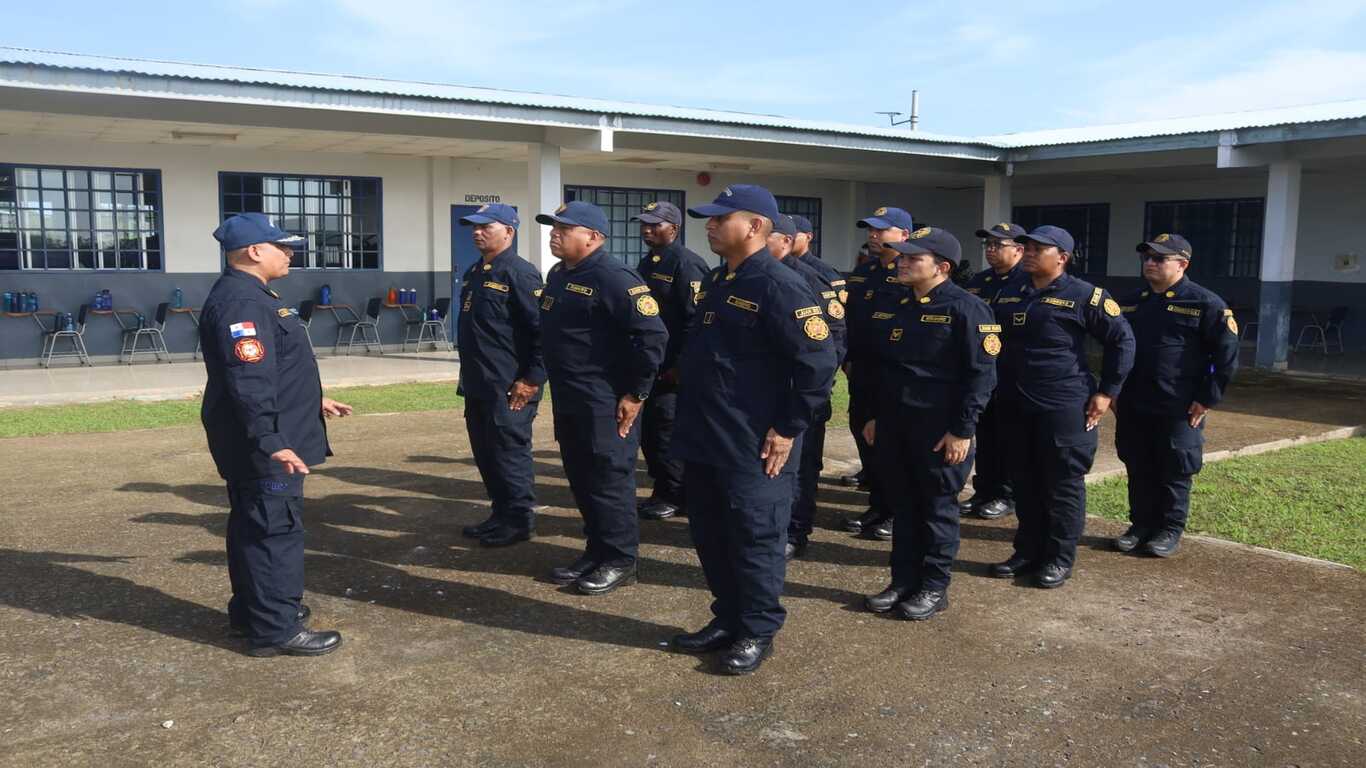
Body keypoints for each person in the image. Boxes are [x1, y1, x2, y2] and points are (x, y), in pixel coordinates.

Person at [670, 185, 837, 674]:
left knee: (754, 537)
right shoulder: (723, 279)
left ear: (757, 226)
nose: (711, 225)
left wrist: (787, 428)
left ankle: (757, 630)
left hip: (754, 442)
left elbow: (818, 363)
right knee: (711, 534)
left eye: (722, 218)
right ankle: (728, 618)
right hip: (707, 435)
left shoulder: (779, 285)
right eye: (710, 218)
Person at [200, 213, 352, 657]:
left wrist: (313, 400)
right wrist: (271, 440)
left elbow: (272, 368)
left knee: (255, 525)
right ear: (253, 251)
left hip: (268, 432)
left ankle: (255, 612)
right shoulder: (242, 303)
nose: (289, 253)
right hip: (267, 443)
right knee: (273, 531)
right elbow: (247, 379)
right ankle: (275, 629)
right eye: (281, 246)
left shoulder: (253, 295)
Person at [861, 227, 998, 619]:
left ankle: (934, 587)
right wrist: (874, 416)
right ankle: (902, 581)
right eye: (901, 256)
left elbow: (982, 377)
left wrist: (963, 430)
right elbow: (883, 369)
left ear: (941, 267)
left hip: (940, 431)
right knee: (904, 508)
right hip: (895, 425)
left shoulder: (967, 309)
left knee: (936, 510)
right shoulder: (899, 304)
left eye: (912, 258)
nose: (902, 262)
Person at [988, 225, 1135, 589]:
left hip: (1064, 406)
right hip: (1016, 404)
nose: (1031, 253)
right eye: (1028, 248)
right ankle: (1027, 552)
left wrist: (1106, 392)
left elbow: (1123, 341)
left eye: (1040, 249)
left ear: (1062, 258)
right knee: (1024, 483)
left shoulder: (1086, 296)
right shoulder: (1009, 292)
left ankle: (1057, 558)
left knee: (1061, 485)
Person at [536, 201, 668, 595]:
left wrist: (637, 393)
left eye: (564, 228)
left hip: (606, 402)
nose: (554, 234)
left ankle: (620, 560)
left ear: (593, 237)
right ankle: (596, 551)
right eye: (552, 227)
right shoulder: (559, 274)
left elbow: (653, 337)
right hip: (570, 399)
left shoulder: (615, 277)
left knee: (609, 481)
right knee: (582, 479)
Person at [1114, 233, 1238, 557]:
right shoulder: (1132, 301)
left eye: (1159, 258)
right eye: (1147, 257)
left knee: (1174, 468)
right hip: (1135, 401)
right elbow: (1115, 349)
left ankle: (1169, 529)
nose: (1150, 263)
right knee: (1138, 465)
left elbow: (1225, 355)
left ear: (1182, 264)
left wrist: (1207, 397)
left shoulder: (1205, 303)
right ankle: (1140, 524)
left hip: (1179, 405)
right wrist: (1110, 389)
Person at [455, 203, 546, 547]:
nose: (477, 232)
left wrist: (532, 379)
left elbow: (542, 332)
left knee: (509, 452)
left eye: (485, 227)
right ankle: (501, 513)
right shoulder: (477, 271)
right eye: (474, 227)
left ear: (508, 231)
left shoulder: (519, 273)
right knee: (486, 452)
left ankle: (520, 520)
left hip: (511, 386)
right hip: (479, 382)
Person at [767, 214, 847, 559]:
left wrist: (816, 389)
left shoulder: (807, 280)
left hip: (801, 395)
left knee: (801, 466)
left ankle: (796, 530)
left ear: (785, 240)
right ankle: (774, 526)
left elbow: (833, 340)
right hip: (769, 396)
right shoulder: (753, 276)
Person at [630, 201, 709, 521]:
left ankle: (678, 494)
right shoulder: (648, 262)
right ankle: (663, 488)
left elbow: (696, 322)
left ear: (673, 229)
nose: (647, 229)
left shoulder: (687, 264)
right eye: (644, 224)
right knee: (650, 432)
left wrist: (681, 365)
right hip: (652, 365)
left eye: (655, 225)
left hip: (674, 369)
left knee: (668, 430)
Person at [841, 206, 914, 540]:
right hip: (862, 369)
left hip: (894, 371)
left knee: (893, 444)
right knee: (864, 433)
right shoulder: (863, 272)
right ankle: (878, 504)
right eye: (870, 230)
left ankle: (898, 511)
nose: (873, 235)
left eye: (881, 230)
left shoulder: (911, 275)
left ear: (904, 236)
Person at [959, 222, 1028, 521]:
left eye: (999, 244)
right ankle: (984, 490)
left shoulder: (1029, 282)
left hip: (1014, 373)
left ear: (1019, 250)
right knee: (985, 435)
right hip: (984, 372)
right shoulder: (979, 282)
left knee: (1008, 438)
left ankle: (1006, 494)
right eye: (988, 244)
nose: (991, 249)